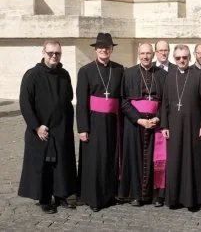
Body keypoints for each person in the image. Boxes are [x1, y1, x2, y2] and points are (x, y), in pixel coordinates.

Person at [18, 39, 77, 214]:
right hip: (41, 130)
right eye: (50, 53)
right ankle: (44, 199)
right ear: (43, 53)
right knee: (43, 166)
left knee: (61, 164)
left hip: (61, 129)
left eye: (57, 53)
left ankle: (61, 195)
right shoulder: (32, 74)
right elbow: (25, 103)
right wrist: (36, 126)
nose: (54, 56)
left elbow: (68, 98)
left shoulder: (64, 74)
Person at [76, 32, 124, 212]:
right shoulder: (86, 71)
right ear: (96, 50)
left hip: (113, 121)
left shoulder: (119, 70)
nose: (104, 50)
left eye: (107, 47)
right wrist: (82, 127)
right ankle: (93, 197)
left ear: (111, 50)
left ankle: (109, 194)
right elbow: (81, 102)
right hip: (94, 121)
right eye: (101, 47)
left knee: (111, 158)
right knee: (95, 160)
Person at [160, 44, 201, 211]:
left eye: (184, 57)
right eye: (178, 58)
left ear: (190, 58)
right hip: (174, 126)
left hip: (194, 124)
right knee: (176, 161)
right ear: (174, 59)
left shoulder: (199, 75)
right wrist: (164, 125)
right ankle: (175, 198)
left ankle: (200, 199)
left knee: (196, 161)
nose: (181, 60)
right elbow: (164, 103)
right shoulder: (169, 76)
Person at [119, 43, 167, 207]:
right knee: (135, 158)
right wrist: (139, 120)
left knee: (156, 159)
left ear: (153, 54)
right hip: (135, 124)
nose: (145, 56)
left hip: (155, 123)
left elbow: (166, 101)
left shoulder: (162, 74)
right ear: (138, 54)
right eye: (142, 53)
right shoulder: (129, 73)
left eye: (148, 53)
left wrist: (157, 118)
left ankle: (156, 195)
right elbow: (124, 101)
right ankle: (136, 195)